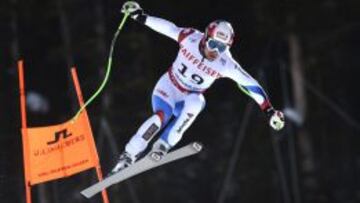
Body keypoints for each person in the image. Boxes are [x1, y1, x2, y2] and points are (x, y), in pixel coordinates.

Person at [111, 1, 285, 174]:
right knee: (161, 118)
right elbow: (169, 29)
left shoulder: (225, 63)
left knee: (197, 101)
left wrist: (268, 110)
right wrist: (140, 16)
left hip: (188, 98)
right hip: (169, 88)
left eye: (222, 47)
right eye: (213, 44)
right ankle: (128, 155)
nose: (215, 51)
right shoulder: (190, 37)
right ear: (205, 38)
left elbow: (250, 84)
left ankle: (163, 144)